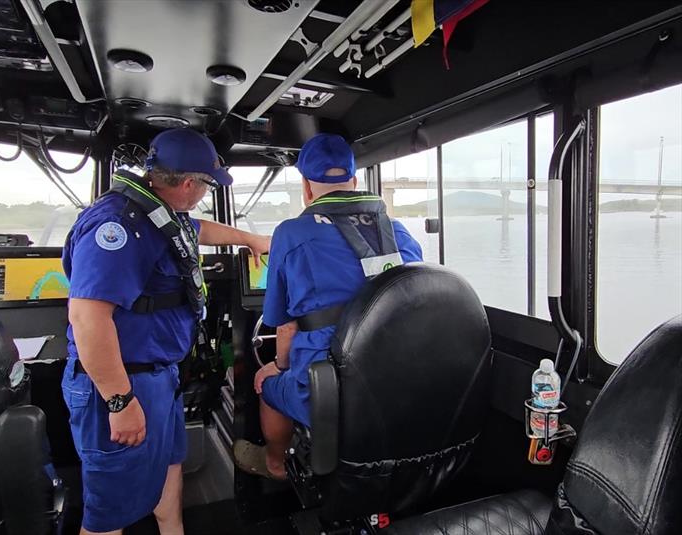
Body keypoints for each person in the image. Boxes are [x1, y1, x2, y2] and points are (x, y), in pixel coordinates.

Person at [61, 128, 270, 535]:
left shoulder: (160, 211)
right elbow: (87, 319)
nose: (207, 192)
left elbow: (196, 230)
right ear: (190, 183)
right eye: (208, 184)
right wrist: (120, 401)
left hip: (159, 377)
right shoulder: (118, 225)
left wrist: (248, 239)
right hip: (122, 383)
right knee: (109, 511)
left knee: (168, 466)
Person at [233, 133, 423, 480]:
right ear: (354, 180)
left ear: (306, 187)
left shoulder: (290, 235)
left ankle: (275, 464)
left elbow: (286, 326)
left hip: (328, 386)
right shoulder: (397, 231)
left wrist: (277, 366)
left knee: (267, 386)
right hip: (398, 374)